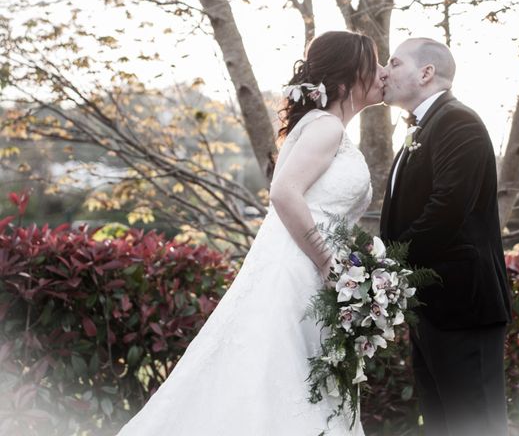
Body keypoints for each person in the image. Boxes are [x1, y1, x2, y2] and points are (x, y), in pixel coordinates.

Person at [116, 30, 383, 436]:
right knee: (282, 385)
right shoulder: (326, 127)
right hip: (300, 272)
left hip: (303, 271)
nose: (382, 72)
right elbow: (283, 192)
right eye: (373, 64)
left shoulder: (319, 124)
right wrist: (328, 261)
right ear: (346, 80)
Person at [379, 38, 513, 436]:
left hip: (463, 309)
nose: (385, 71)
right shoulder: (424, 127)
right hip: (432, 307)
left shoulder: (458, 121)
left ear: (426, 73)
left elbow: (447, 209)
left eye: (394, 62)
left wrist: (389, 265)